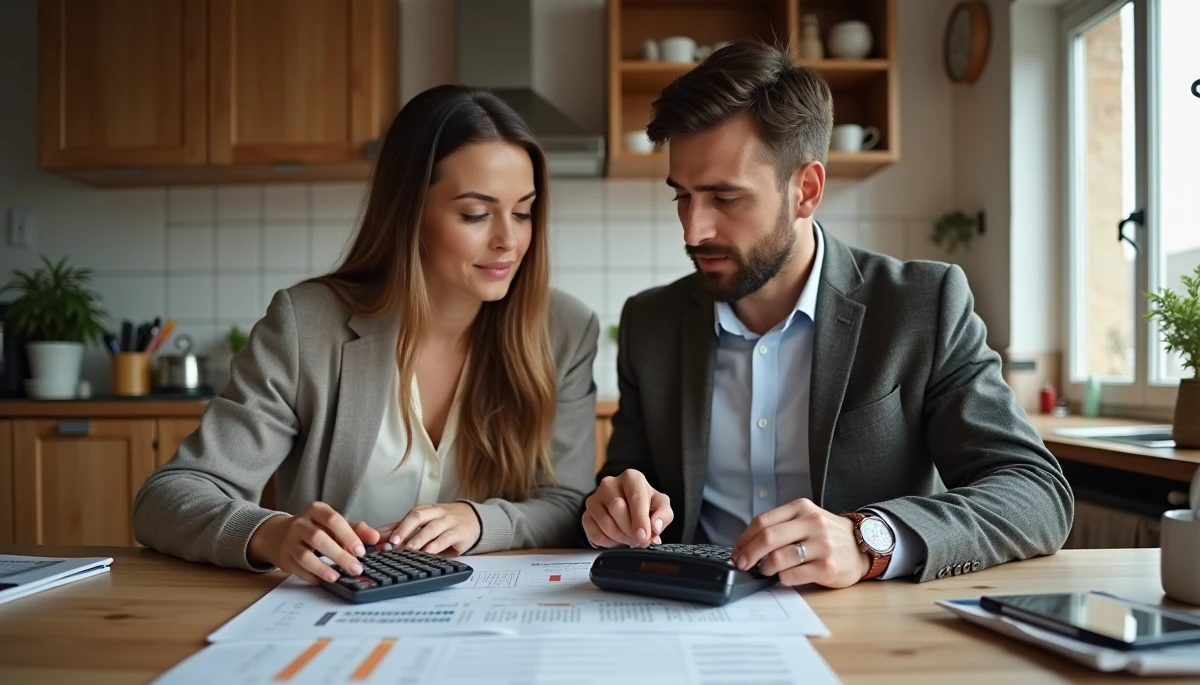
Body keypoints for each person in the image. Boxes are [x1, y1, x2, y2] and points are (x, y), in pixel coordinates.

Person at [583, 42, 1073, 586]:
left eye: (725, 198)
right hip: (689, 609)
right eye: (682, 196)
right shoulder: (649, 323)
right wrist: (615, 506)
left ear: (807, 191)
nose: (694, 230)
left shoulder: (921, 306)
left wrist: (870, 539)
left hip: (860, 622)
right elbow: (624, 481)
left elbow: (1034, 492)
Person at [135, 85, 600, 585]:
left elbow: (569, 505)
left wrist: (480, 521)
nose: (509, 240)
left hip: (494, 612)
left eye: (524, 212)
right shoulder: (306, 327)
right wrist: (271, 533)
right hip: (331, 609)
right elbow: (167, 497)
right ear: (408, 212)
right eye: (475, 214)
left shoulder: (565, 331)